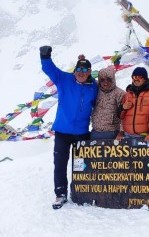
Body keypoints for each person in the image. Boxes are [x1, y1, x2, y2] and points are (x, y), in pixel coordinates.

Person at [39, 46, 98, 209]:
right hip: (62, 132)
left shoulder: (94, 87)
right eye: (78, 69)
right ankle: (60, 194)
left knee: (83, 164)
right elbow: (50, 69)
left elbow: (106, 91)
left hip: (82, 133)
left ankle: (83, 191)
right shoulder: (64, 79)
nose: (81, 72)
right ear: (74, 70)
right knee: (60, 163)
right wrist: (45, 56)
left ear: (89, 72)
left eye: (85, 70)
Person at [116, 67, 149, 142]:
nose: (136, 79)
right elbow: (120, 116)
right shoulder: (127, 94)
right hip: (127, 136)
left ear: (145, 78)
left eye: (139, 77)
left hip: (145, 137)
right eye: (134, 77)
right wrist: (123, 107)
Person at [91, 66, 126, 140]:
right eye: (102, 80)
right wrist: (81, 62)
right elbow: (85, 77)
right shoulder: (96, 89)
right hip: (95, 132)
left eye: (108, 79)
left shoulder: (120, 94)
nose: (105, 82)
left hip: (113, 133)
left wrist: (121, 132)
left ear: (113, 80)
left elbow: (125, 114)